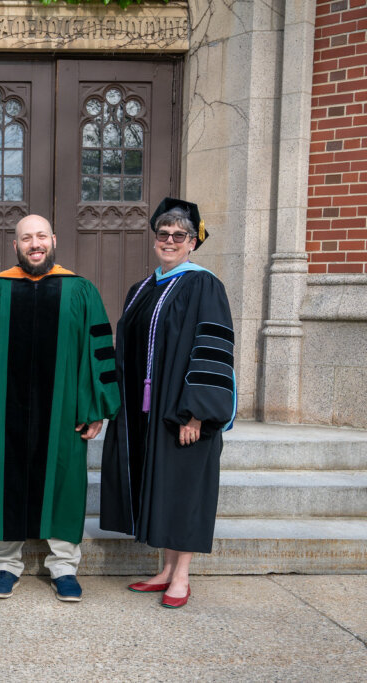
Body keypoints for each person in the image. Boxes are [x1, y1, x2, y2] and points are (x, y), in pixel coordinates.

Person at [0, 214, 120, 602]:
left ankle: (63, 566)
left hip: (62, 411)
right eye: (27, 238)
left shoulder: (80, 290)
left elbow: (97, 353)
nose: (35, 244)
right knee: (4, 478)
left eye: (41, 236)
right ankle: (6, 565)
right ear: (16, 246)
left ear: (54, 240)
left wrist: (97, 407)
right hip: (3, 409)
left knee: (63, 480)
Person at [100, 198, 236, 609]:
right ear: (155, 239)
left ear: (193, 242)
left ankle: (182, 576)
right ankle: (164, 569)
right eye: (163, 235)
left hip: (184, 411)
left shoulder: (204, 284)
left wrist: (197, 412)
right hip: (147, 411)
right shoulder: (141, 288)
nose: (171, 241)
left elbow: (212, 349)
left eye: (180, 235)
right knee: (162, 487)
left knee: (183, 486)